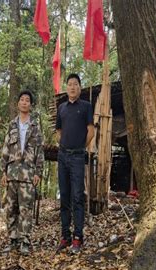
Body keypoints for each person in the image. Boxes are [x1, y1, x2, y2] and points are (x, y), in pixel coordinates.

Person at [0, 90, 44, 255]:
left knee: (26, 208)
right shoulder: (12, 125)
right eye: (22, 100)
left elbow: (40, 152)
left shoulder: (35, 127)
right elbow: (5, 149)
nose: (24, 102)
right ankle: (12, 240)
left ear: (30, 105)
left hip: (28, 174)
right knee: (11, 208)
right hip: (11, 174)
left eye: (27, 100)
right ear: (18, 104)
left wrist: (38, 172)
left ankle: (24, 240)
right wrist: (3, 172)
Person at [55, 73, 94, 254]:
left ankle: (78, 237)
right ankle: (65, 236)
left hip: (78, 157)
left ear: (79, 87)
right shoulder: (61, 107)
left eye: (75, 84)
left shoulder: (86, 107)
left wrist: (79, 147)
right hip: (62, 157)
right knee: (64, 197)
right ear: (66, 87)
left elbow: (91, 131)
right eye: (69, 84)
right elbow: (58, 131)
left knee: (77, 196)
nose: (72, 87)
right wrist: (63, 145)